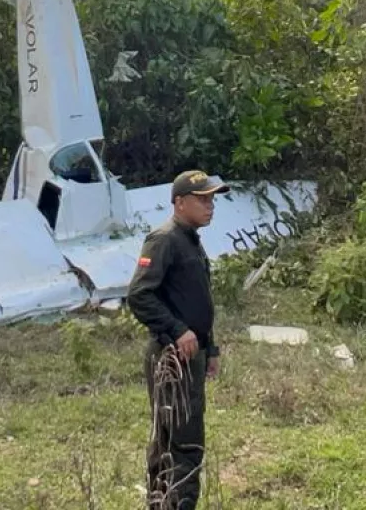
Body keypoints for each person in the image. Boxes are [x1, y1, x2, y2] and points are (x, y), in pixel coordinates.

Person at [127, 169, 229, 510]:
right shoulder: (164, 239)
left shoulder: (191, 239)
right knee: (183, 444)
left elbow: (197, 300)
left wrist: (209, 346)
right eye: (202, 199)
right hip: (172, 356)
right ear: (179, 202)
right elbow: (140, 295)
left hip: (192, 353)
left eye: (212, 199)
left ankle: (162, 505)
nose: (210, 206)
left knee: (171, 440)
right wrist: (177, 330)